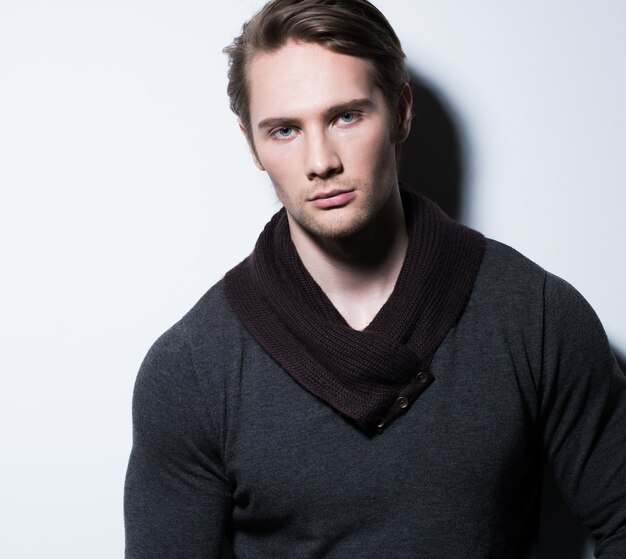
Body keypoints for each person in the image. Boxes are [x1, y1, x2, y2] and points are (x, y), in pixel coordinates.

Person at [124, 0, 626, 557]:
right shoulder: (191, 369)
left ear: (401, 111)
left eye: (345, 116)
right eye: (285, 129)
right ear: (252, 145)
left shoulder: (535, 315)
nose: (321, 160)